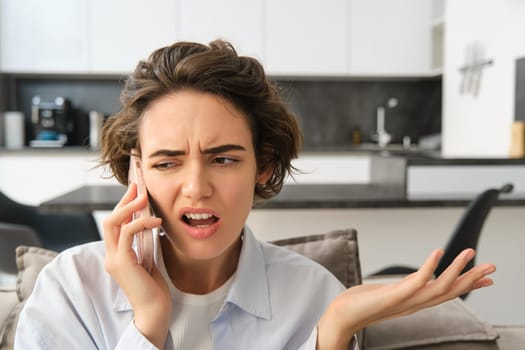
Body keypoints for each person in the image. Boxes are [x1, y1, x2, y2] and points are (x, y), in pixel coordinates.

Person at [14, 40, 496, 350]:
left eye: (223, 158)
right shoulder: (70, 291)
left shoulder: (315, 295)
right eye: (167, 162)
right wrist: (148, 321)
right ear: (135, 172)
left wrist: (332, 335)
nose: (197, 187)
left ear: (262, 165)